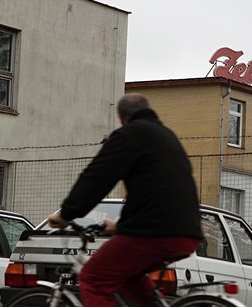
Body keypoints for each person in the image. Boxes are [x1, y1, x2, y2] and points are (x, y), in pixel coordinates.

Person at [48, 93, 203, 307]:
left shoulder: (129, 134)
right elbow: (155, 191)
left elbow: (96, 178)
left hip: (155, 233)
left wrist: (66, 214)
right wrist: (120, 227)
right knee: (128, 276)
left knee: (94, 279)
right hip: (188, 233)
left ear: (122, 117)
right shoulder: (167, 136)